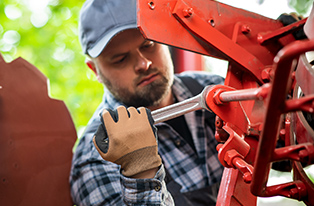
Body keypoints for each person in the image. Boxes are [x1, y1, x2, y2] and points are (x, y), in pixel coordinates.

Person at [70, 0, 224, 205]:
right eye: (121, 59)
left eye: (148, 45)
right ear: (95, 71)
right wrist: (141, 175)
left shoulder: (215, 90)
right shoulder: (96, 158)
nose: (144, 64)